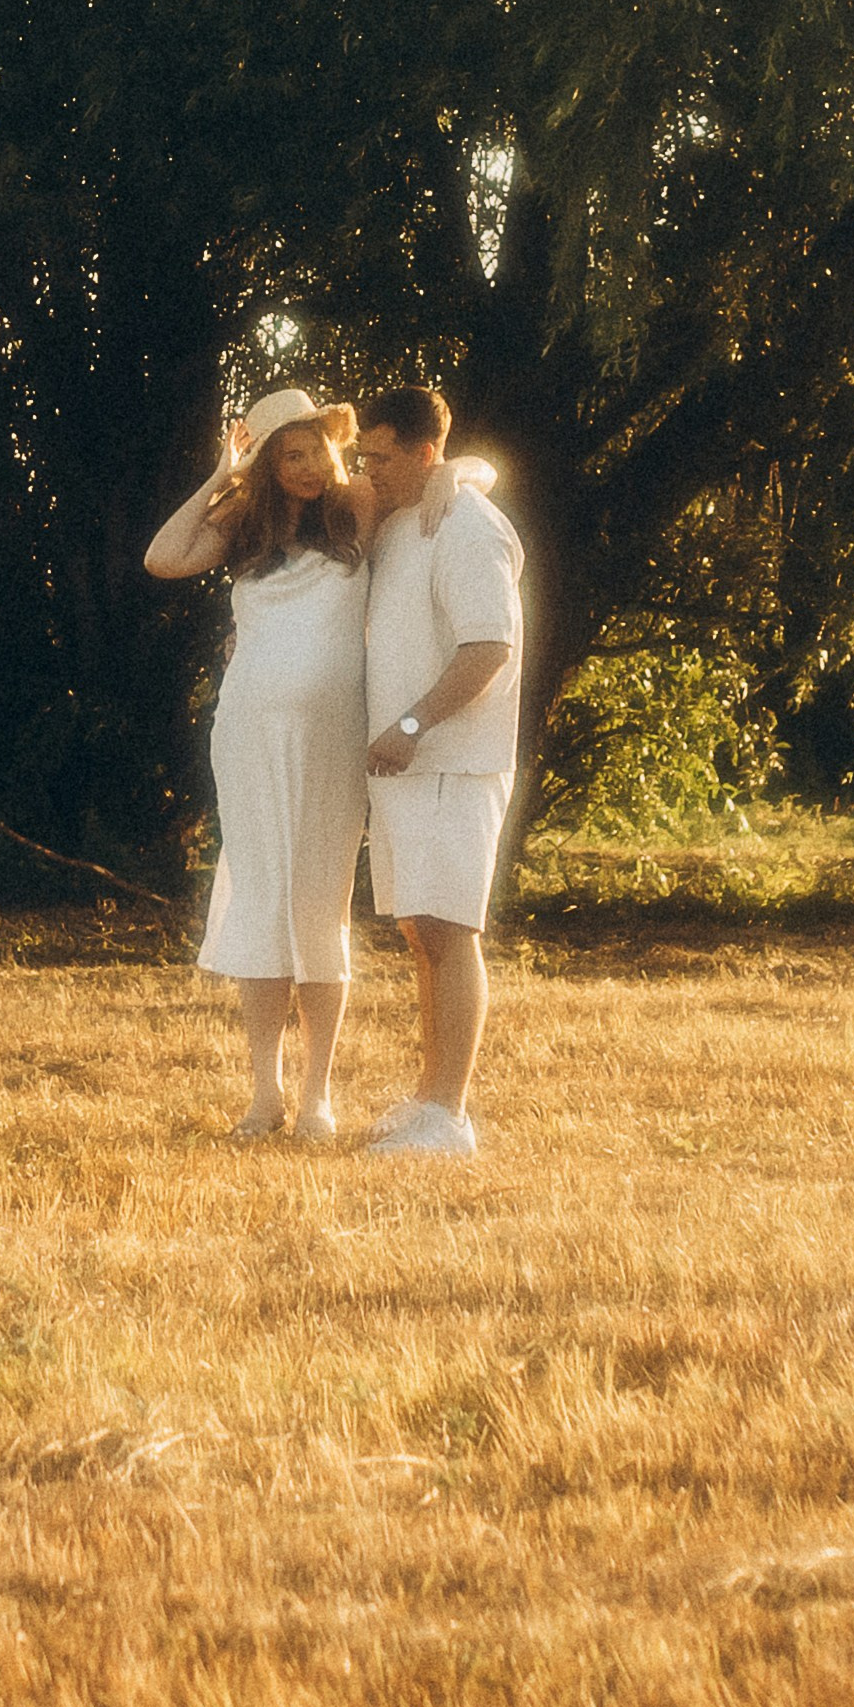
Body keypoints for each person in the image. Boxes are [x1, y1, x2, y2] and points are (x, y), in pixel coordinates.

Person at [146, 387, 375, 1143]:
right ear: (269, 467)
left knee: (317, 902)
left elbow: (467, 472)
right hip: (247, 732)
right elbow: (163, 557)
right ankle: (263, 1094)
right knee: (260, 900)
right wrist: (221, 474)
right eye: (288, 457)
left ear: (332, 445)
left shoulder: (360, 509)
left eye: (314, 449)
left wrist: (454, 482)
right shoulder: (243, 526)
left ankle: (317, 1099)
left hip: (330, 741)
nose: (308, 468)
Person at [354, 383, 524, 1159]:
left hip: (453, 762)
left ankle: (449, 1116)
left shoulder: (467, 528)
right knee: (423, 930)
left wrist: (413, 725)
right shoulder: (402, 521)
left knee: (451, 931)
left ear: (426, 456)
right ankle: (427, 1101)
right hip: (407, 769)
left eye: (381, 458)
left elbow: (488, 648)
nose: (367, 471)